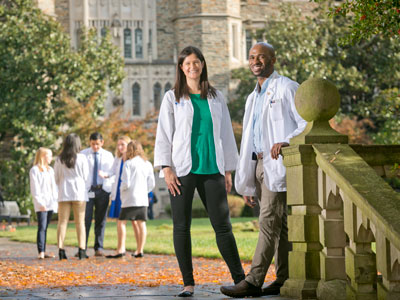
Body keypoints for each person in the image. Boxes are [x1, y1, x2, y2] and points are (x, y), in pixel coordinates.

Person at [154, 46, 245, 297]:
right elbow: (163, 133)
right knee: (181, 227)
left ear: (202, 65)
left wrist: (228, 170)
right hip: (182, 170)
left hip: (212, 168)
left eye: (196, 62)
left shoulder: (216, 97)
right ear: (181, 68)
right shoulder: (172, 97)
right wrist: (166, 168)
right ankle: (188, 283)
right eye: (187, 64)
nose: (192, 67)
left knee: (223, 226)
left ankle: (241, 280)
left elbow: (226, 133)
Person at [220, 42, 307, 297]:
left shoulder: (288, 88)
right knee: (281, 226)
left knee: (268, 221)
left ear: (273, 59)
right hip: (257, 165)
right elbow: (248, 139)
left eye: (261, 57)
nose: (255, 61)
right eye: (251, 57)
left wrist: (287, 140)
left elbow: (306, 122)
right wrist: (247, 180)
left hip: (278, 163)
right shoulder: (252, 97)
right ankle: (283, 279)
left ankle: (253, 281)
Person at [107, 140, 155, 259]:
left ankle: (120, 249)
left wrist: (121, 190)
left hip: (129, 198)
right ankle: (140, 250)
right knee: (141, 223)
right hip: (142, 199)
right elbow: (151, 183)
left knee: (121, 222)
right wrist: (145, 191)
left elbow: (125, 182)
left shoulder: (128, 163)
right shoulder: (147, 163)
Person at [54, 133, 90, 260]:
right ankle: (81, 250)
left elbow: (56, 177)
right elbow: (86, 177)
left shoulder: (59, 159)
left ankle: (61, 249)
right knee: (80, 222)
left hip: (64, 192)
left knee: (62, 222)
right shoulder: (82, 158)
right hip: (79, 192)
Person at [81, 132, 114, 257]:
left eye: (97, 144)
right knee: (86, 219)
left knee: (101, 220)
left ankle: (98, 247)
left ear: (102, 143)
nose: (95, 147)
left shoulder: (108, 155)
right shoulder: (83, 154)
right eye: (93, 144)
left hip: (103, 190)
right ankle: (82, 247)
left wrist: (107, 182)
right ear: (90, 142)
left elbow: (112, 173)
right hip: (88, 190)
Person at [29, 147, 58, 259]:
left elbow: (54, 187)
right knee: (42, 226)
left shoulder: (50, 170)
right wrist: (40, 203)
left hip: (51, 203)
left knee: (45, 227)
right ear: (43, 156)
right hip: (42, 203)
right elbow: (35, 188)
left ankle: (44, 250)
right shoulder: (35, 170)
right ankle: (41, 251)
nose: (51, 158)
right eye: (49, 155)